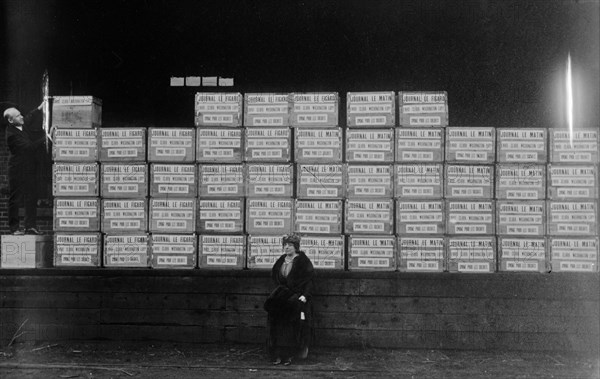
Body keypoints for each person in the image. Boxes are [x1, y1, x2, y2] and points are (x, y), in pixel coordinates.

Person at [264, 233, 314, 366]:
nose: (287, 248)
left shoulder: (303, 262)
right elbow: (275, 277)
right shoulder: (281, 260)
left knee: (290, 327)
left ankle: (288, 355)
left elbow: (309, 281)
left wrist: (304, 296)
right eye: (285, 245)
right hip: (281, 298)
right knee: (276, 325)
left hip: (295, 298)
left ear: (296, 247)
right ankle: (276, 354)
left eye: (290, 245)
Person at [3, 103, 45, 235]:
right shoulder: (11, 135)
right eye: (18, 116)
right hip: (16, 169)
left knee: (31, 196)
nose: (21, 117)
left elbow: (29, 117)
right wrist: (47, 137)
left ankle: (30, 226)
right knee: (15, 198)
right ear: (10, 120)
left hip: (28, 168)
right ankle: (14, 228)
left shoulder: (21, 124)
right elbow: (29, 147)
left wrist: (39, 108)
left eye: (20, 114)